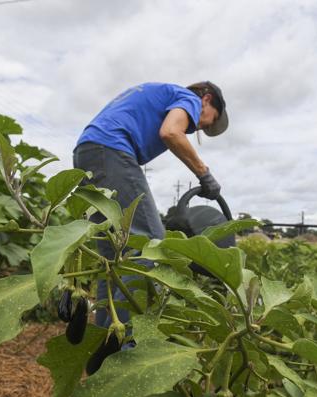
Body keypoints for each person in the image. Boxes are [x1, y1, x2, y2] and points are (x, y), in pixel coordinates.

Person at [72, 81, 229, 345]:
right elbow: (171, 132)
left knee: (113, 253)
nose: (201, 127)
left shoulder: (162, 92)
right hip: (111, 150)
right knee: (148, 244)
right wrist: (204, 173)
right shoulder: (188, 98)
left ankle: (106, 340)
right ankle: (127, 345)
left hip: (87, 152)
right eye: (208, 122)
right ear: (207, 100)